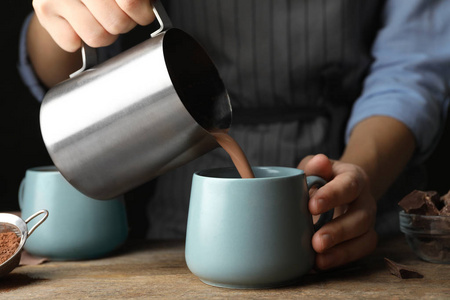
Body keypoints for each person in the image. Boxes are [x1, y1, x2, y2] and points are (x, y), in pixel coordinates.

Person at [19, 0, 449, 271]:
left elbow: (410, 70)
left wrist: (359, 177)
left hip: (362, 224)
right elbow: (64, 69)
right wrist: (60, 15)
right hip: (173, 227)